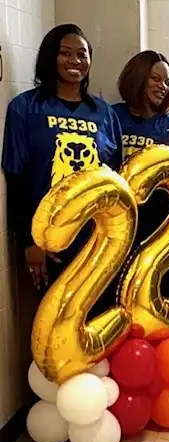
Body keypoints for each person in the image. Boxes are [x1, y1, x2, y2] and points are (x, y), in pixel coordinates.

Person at [1, 24, 122, 301]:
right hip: (48, 241)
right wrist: (31, 242)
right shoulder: (25, 108)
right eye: (65, 53)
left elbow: (115, 179)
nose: (75, 61)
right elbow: (17, 180)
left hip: (96, 240)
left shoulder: (104, 113)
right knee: (52, 325)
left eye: (82, 54)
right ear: (49, 57)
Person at [113, 50, 169, 297]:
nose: (162, 86)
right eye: (155, 78)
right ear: (138, 76)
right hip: (118, 226)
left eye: (166, 81)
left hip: (160, 227)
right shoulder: (113, 117)